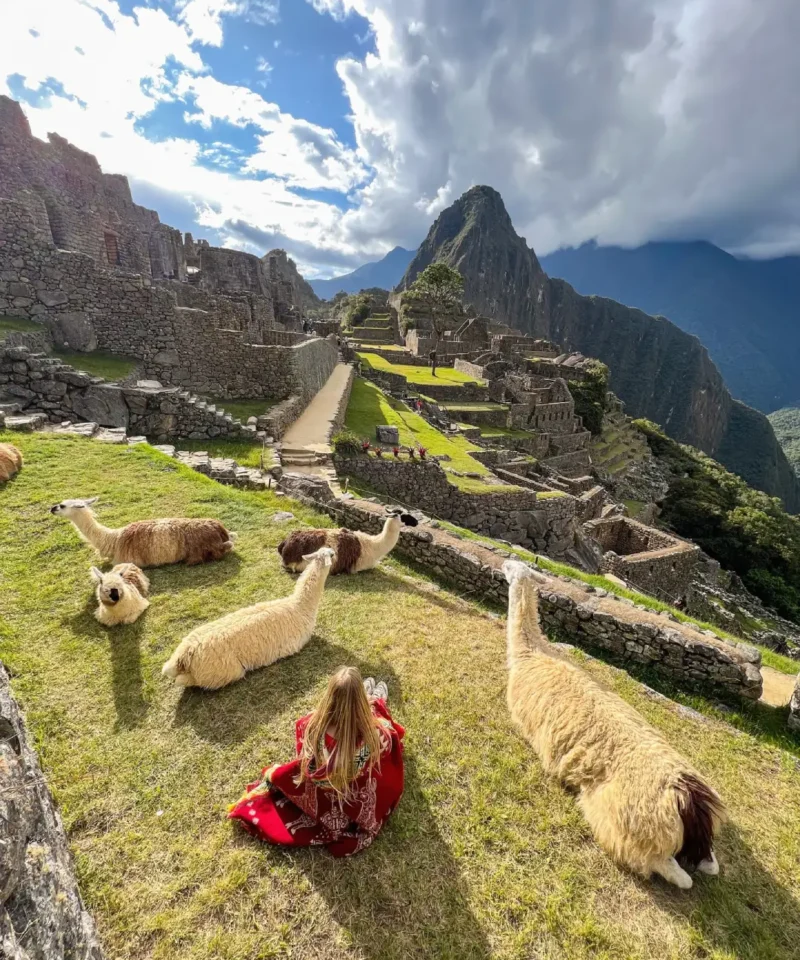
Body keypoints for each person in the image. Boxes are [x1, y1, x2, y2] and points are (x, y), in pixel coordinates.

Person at [228, 667, 405, 857]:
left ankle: (362, 695)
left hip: (323, 795)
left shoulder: (313, 725)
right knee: (378, 712)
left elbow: (303, 753)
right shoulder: (374, 735)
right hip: (348, 801)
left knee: (363, 706)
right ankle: (371, 699)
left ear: (329, 697)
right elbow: (390, 749)